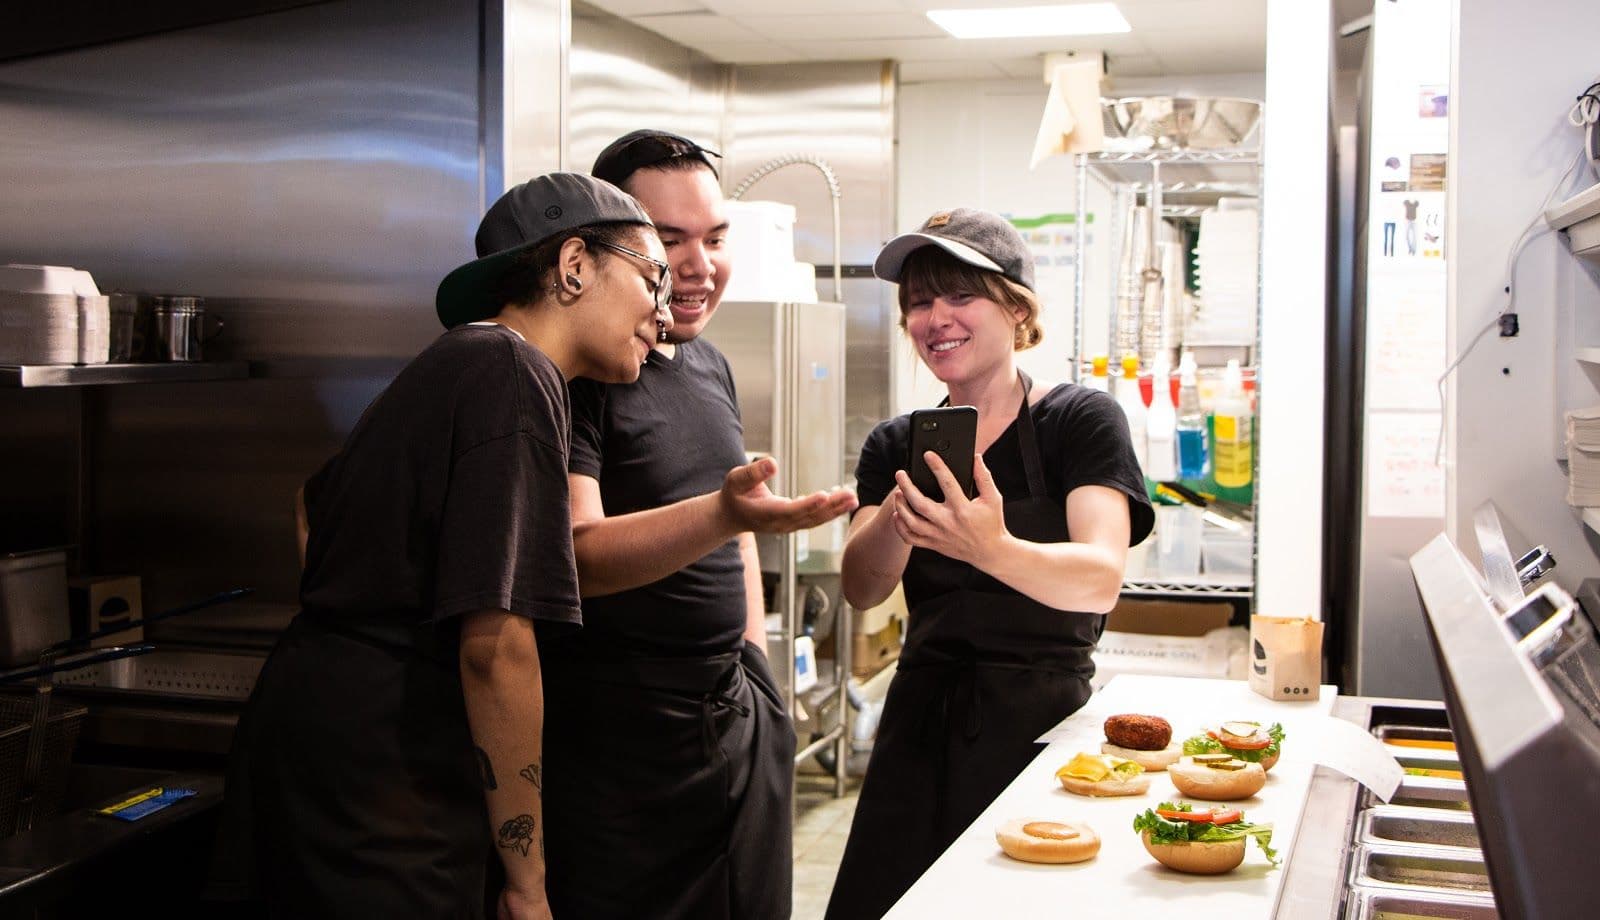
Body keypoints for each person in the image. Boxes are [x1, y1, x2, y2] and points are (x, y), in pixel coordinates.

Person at [211, 173, 671, 919]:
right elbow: (497, 647)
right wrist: (528, 885)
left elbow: (309, 504)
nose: (663, 311)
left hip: (319, 737)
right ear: (575, 264)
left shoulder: (465, 359)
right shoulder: (516, 374)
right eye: (654, 276)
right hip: (381, 780)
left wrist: (361, 628)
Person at [535, 130, 857, 920]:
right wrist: (722, 514)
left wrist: (758, 672)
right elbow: (576, 556)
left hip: (735, 715)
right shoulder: (580, 376)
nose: (698, 264)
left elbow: (737, 530)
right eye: (667, 241)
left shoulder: (707, 363)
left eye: (714, 238)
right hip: (620, 743)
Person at [824, 208, 1155, 920]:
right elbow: (862, 586)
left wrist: (992, 548)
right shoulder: (893, 445)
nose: (935, 317)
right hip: (918, 729)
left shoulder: (1080, 421)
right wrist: (901, 509)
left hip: (1039, 729)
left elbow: (1101, 576)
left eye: (959, 295)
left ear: (1015, 306)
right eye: (918, 301)